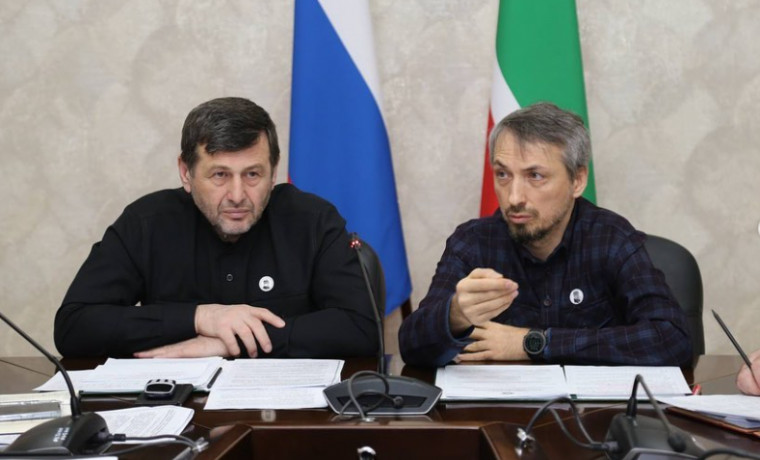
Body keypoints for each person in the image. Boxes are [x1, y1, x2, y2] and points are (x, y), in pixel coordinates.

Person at [55, 97, 378, 359]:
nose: (237, 195)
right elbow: (75, 327)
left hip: (287, 411)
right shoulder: (147, 222)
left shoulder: (312, 220)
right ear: (186, 172)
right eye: (220, 175)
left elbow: (363, 328)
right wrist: (201, 318)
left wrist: (229, 344)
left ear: (273, 172)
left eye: (252, 174)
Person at [399, 102, 693, 367]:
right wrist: (454, 315)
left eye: (535, 176)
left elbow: (672, 339)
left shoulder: (611, 239)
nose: (514, 197)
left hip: (595, 410)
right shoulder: (473, 243)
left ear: (577, 181)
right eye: (503, 174)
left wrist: (533, 343)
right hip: (498, 410)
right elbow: (411, 347)